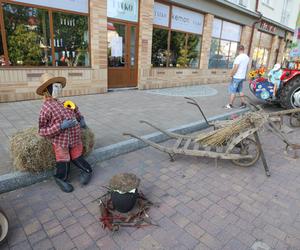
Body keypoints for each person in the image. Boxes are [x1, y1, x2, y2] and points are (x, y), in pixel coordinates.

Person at [36, 73, 93, 193]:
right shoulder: (46, 108)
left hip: (75, 139)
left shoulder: (65, 103)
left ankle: (87, 171)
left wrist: (81, 119)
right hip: (61, 142)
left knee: (77, 156)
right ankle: (60, 179)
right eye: (55, 86)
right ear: (47, 90)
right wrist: (60, 126)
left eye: (59, 86)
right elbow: (42, 130)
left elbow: (75, 111)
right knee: (64, 160)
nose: (58, 89)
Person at [225, 45, 250, 109]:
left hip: (237, 77)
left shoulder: (238, 57)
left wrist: (231, 74)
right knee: (240, 90)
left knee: (233, 91)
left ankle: (230, 104)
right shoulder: (247, 57)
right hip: (242, 77)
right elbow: (246, 67)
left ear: (238, 50)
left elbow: (236, 67)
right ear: (243, 49)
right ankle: (243, 103)